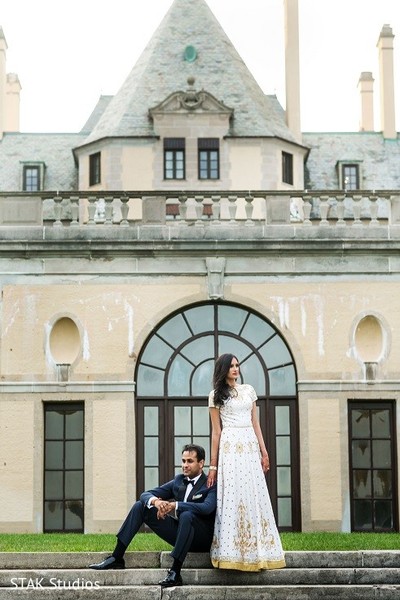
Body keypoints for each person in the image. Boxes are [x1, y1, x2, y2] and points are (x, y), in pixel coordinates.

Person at [89, 444, 217, 587]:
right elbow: (145, 494)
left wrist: (175, 505)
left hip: (201, 538)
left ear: (201, 463)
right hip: (181, 533)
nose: (185, 465)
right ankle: (116, 557)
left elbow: (207, 508)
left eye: (190, 461)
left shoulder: (210, 483)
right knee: (140, 506)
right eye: (183, 461)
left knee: (187, 515)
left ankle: (175, 572)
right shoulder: (179, 480)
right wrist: (156, 502)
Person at [207, 353, 286, 572]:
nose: (235, 368)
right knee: (233, 494)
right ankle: (231, 552)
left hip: (250, 445)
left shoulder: (248, 390)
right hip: (230, 447)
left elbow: (255, 423)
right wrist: (213, 466)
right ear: (223, 369)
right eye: (231, 366)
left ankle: (260, 551)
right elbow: (216, 432)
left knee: (253, 492)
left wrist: (264, 451)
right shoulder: (215, 395)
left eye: (237, 365)